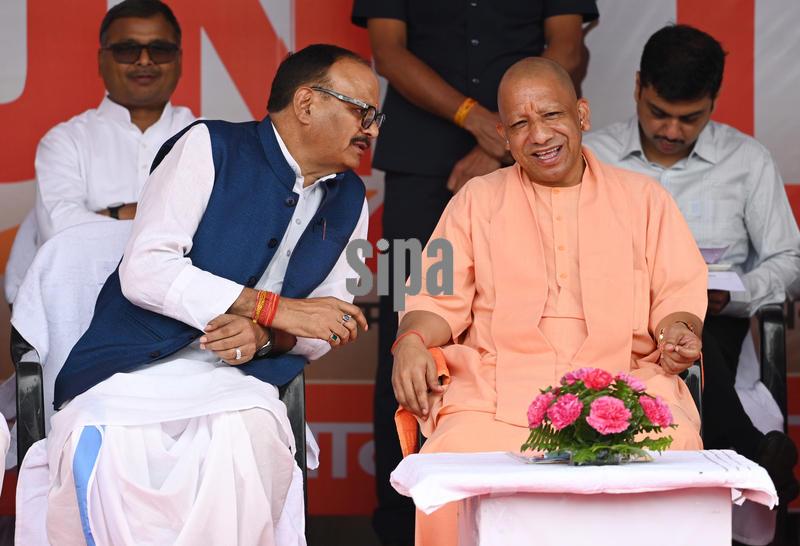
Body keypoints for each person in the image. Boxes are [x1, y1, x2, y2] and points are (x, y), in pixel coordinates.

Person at [35, 44, 379, 545]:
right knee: (108, 441)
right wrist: (272, 308)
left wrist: (264, 338)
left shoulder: (352, 202)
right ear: (306, 104)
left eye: (376, 116)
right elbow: (147, 269)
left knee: (246, 436)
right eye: (362, 112)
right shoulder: (208, 145)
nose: (372, 129)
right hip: (130, 367)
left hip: (238, 379)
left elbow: (326, 320)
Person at [391, 57, 707, 546]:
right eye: (520, 124)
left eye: (552, 117)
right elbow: (433, 297)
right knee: (446, 464)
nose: (538, 135)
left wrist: (678, 333)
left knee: (677, 446)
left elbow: (677, 298)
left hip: (625, 385)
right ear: (503, 133)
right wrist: (412, 339)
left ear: (581, 116)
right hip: (498, 393)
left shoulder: (645, 200)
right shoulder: (475, 199)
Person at [349, 3, 598, 543]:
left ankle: (531, 513)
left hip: (525, 157)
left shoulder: (530, 142)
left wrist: (506, 141)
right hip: (418, 168)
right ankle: (402, 520)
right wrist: (476, 120)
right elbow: (387, 52)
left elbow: (568, 47)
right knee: (407, 331)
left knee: (530, 316)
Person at [584, 24, 800, 505]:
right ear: (637, 86)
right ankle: (752, 454)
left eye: (689, 118)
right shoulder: (591, 157)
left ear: (715, 101)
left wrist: (737, 291)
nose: (671, 131)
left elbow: (790, 260)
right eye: (658, 113)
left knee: (690, 326)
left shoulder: (747, 161)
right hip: (608, 329)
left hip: (713, 323)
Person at [33, 0, 195, 244]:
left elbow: (230, 229)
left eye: (160, 50)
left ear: (179, 60)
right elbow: (60, 233)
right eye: (127, 50)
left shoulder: (210, 138)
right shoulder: (65, 141)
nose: (144, 61)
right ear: (101, 60)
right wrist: (173, 221)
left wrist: (112, 214)